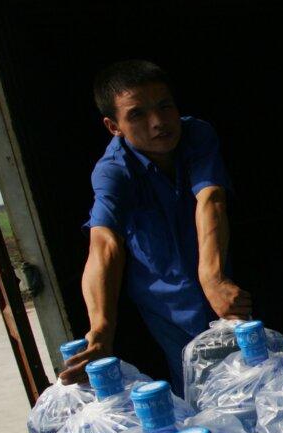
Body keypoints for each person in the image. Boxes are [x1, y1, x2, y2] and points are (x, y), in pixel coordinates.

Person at [60, 60, 251, 391]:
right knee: (199, 390)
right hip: (169, 310)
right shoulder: (113, 172)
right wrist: (101, 329)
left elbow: (211, 199)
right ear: (113, 126)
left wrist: (213, 278)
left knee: (253, 377)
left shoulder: (197, 135)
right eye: (137, 114)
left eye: (165, 107)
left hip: (223, 289)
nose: (158, 122)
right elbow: (104, 243)